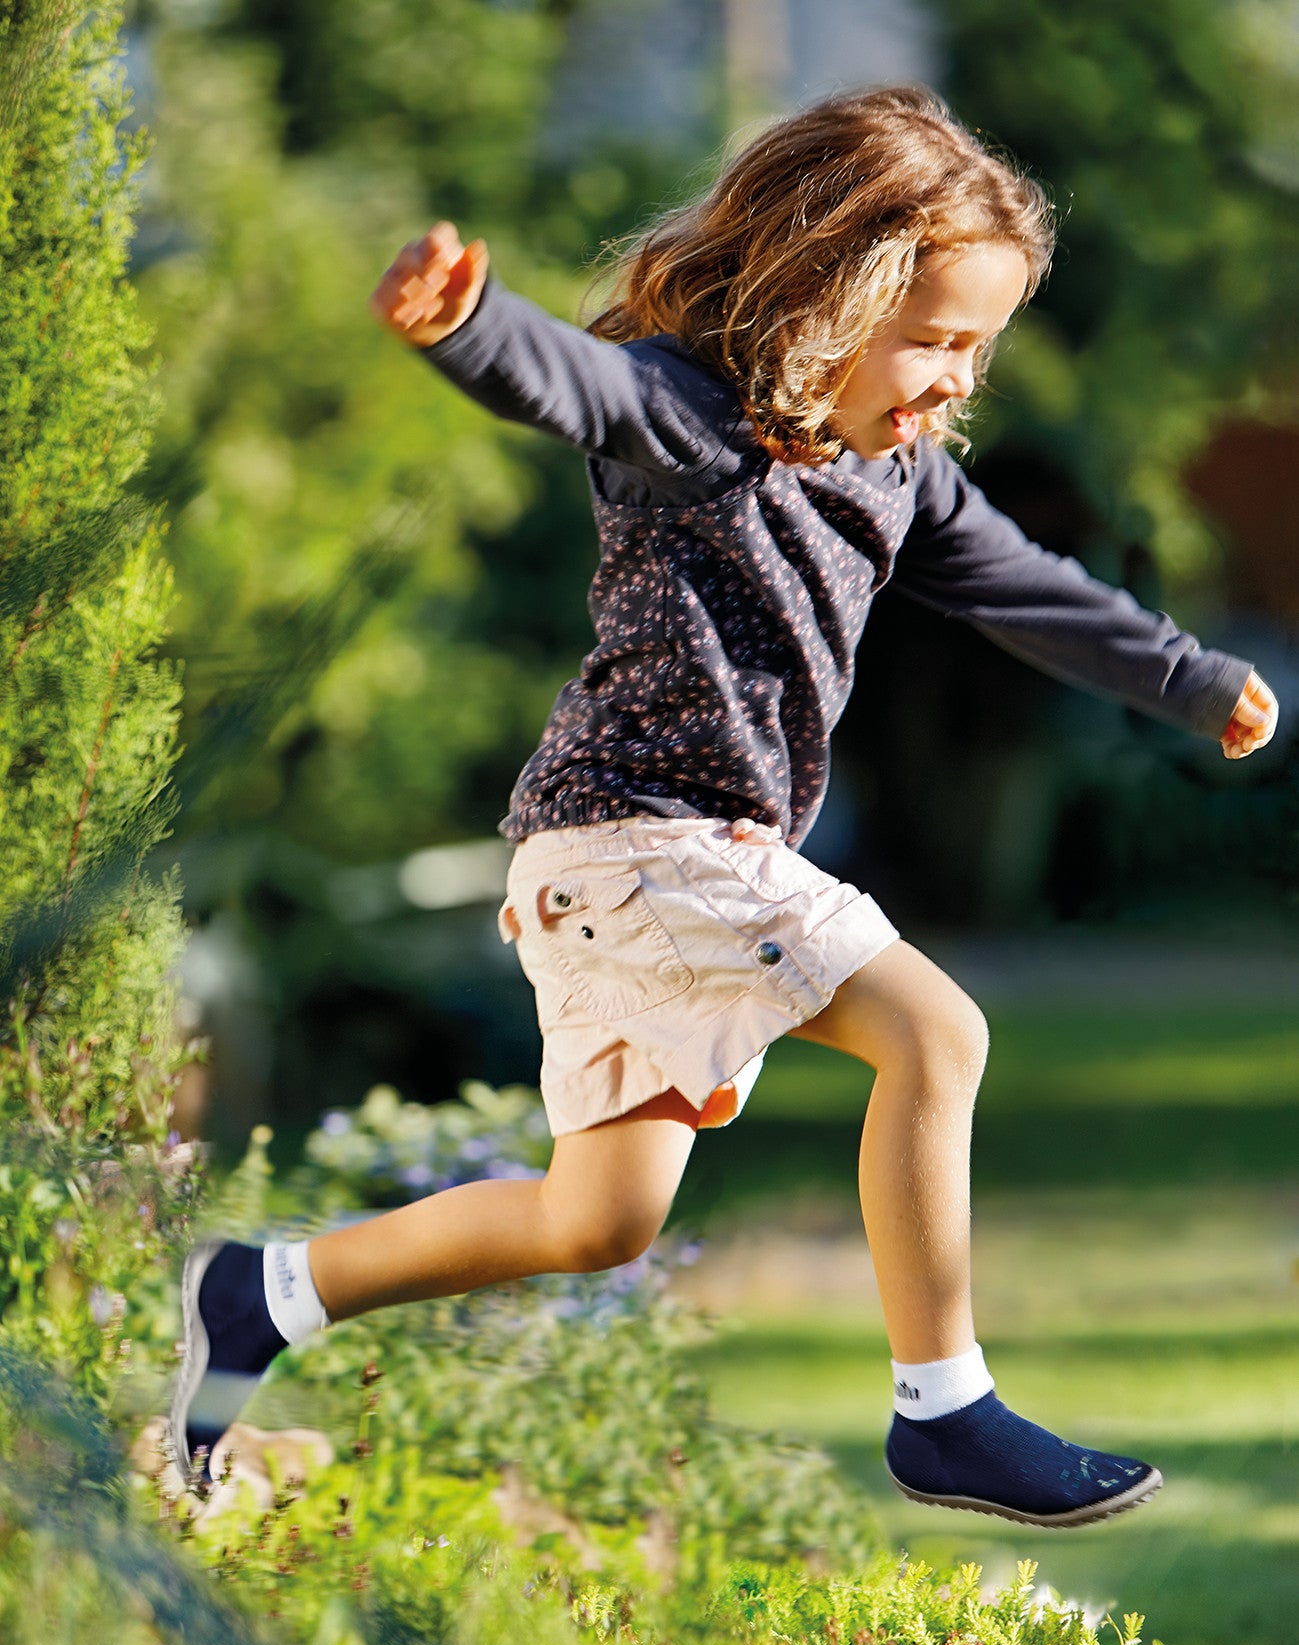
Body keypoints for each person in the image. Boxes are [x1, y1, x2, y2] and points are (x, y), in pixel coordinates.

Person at [169, 86, 1277, 1526]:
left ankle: (262, 1295)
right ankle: (946, 1410)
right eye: (933, 339)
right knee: (938, 1032)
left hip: (621, 867)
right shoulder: (696, 417)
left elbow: (1023, 586)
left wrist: (1187, 676)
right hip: (646, 841)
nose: (955, 380)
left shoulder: (895, 474)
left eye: (978, 350)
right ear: (829, 295)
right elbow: (581, 386)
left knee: (597, 1220)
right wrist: (468, 326)